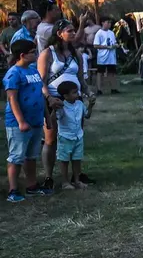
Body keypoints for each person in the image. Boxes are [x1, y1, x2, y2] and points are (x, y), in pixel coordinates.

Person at [37, 19, 89, 190]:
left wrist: (88, 92)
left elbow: (81, 78)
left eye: (74, 30)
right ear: (59, 34)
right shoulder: (48, 53)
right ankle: (49, 176)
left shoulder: (76, 54)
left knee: (76, 136)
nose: (73, 33)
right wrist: (49, 99)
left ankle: (76, 176)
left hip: (74, 100)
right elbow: (41, 80)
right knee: (51, 139)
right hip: (55, 100)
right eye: (69, 31)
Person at [5, 40, 45, 202]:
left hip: (36, 121)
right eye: (33, 52)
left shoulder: (33, 71)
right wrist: (21, 121)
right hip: (19, 123)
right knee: (16, 156)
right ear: (22, 55)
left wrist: (47, 118)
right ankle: (13, 190)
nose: (36, 54)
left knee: (31, 155)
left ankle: (32, 185)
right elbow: (12, 99)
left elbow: (40, 95)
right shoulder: (14, 73)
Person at [53, 81, 89, 190]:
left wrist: (91, 105)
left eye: (77, 91)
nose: (77, 94)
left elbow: (87, 115)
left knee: (77, 159)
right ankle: (65, 182)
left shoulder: (80, 104)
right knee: (64, 160)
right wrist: (54, 109)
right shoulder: (61, 106)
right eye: (74, 92)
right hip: (65, 137)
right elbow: (53, 119)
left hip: (78, 137)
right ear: (65, 96)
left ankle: (77, 180)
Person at [93, 16, 121, 94]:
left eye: (110, 23)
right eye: (107, 22)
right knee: (100, 73)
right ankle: (99, 89)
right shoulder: (99, 33)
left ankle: (113, 88)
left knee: (112, 72)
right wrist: (106, 47)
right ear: (103, 23)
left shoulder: (111, 32)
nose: (109, 24)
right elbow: (95, 45)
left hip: (111, 56)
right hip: (102, 57)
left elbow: (114, 42)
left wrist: (115, 45)